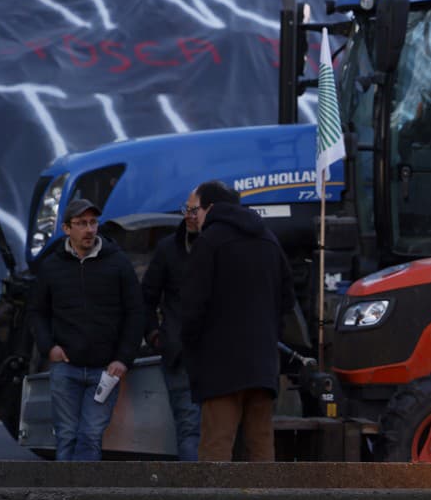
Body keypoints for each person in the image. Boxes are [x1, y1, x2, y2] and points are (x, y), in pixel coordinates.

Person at [181, 180, 294, 461]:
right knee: (260, 447)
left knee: (216, 447)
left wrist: (191, 347)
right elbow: (287, 301)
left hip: (221, 366)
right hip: (263, 364)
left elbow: (193, 305)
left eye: (196, 210)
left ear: (210, 208)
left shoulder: (209, 242)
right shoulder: (269, 239)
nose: (194, 217)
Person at [28, 198, 144, 461]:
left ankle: (83, 497)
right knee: (66, 435)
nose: (89, 229)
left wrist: (123, 359)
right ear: (67, 229)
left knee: (90, 435)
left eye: (93, 222)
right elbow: (36, 312)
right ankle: (64, 498)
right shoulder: (52, 267)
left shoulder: (118, 263)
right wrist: (49, 348)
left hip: (105, 370)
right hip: (65, 367)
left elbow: (136, 312)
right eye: (81, 223)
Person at [140, 190, 202, 461]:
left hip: (212, 354)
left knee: (205, 430)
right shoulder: (169, 248)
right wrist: (156, 335)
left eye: (194, 210)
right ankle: (195, 496)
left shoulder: (217, 247)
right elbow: (146, 297)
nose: (188, 216)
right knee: (190, 428)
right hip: (181, 355)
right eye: (185, 209)